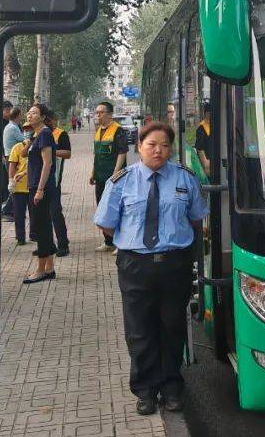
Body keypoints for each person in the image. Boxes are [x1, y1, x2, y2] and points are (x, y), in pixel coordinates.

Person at [94, 122, 208, 415]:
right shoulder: (122, 181)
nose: (158, 150)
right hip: (135, 265)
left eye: (165, 145)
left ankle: (171, 387)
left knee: (172, 326)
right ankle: (145, 390)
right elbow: (106, 224)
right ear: (140, 147)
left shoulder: (185, 178)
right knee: (139, 330)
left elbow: (197, 219)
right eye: (152, 145)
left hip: (175, 264)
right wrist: (131, 241)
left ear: (171, 149)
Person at [23, 103, 57, 284]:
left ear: (43, 117)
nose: (29, 115)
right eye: (28, 112)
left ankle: (40, 270)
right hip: (35, 185)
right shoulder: (36, 135)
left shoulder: (44, 134)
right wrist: (23, 173)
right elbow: (34, 162)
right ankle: (49, 268)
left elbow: (47, 163)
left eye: (34, 113)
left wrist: (40, 190)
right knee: (43, 226)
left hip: (40, 188)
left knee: (40, 228)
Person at [92, 101, 129, 254]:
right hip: (100, 177)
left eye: (101, 112)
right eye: (97, 112)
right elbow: (96, 154)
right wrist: (93, 173)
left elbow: (122, 152)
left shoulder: (118, 130)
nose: (98, 115)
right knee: (102, 208)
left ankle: (121, 242)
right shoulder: (98, 130)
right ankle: (108, 242)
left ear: (109, 114)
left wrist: (116, 172)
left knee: (116, 208)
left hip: (115, 178)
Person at [46, 111, 71, 257]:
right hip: (37, 179)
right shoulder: (35, 134)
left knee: (54, 211)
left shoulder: (61, 134)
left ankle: (63, 244)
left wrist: (51, 151)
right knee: (41, 215)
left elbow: (67, 153)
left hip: (53, 180)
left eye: (50, 120)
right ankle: (46, 245)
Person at [7, 122, 33, 245]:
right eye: (25, 130)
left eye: (30, 129)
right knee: (19, 214)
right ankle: (20, 237)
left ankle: (34, 235)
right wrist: (11, 181)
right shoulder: (17, 147)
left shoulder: (38, 146)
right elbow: (12, 165)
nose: (27, 132)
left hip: (33, 185)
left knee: (35, 213)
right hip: (19, 186)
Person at [194, 101, 211, 175]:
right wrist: (205, 164)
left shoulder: (213, 125)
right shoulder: (201, 127)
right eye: (209, 113)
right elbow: (199, 148)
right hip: (207, 163)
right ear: (206, 113)